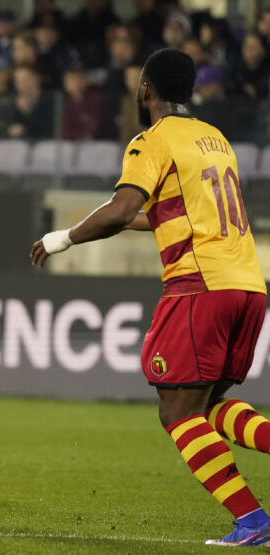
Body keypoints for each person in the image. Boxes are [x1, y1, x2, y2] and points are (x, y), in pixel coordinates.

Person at [31, 48, 270, 547]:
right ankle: (252, 517)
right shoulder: (215, 138)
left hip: (199, 285)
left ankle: (252, 519)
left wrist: (65, 238)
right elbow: (165, 215)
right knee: (207, 405)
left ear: (146, 90)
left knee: (177, 412)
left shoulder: (153, 140)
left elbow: (122, 209)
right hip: (247, 284)